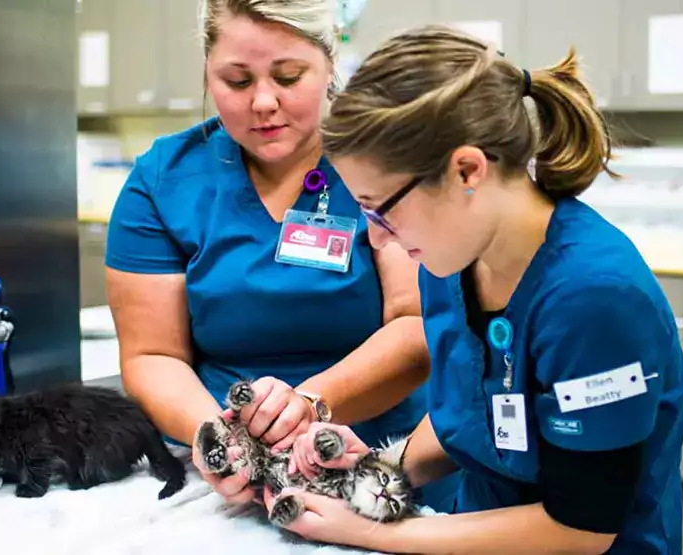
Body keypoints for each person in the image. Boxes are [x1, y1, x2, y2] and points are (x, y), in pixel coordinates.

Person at [265, 25, 683, 554]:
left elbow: (582, 528)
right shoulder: (449, 259)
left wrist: (367, 531)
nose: (374, 236)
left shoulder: (594, 299)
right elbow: (470, 416)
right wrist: (380, 472)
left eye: (381, 209)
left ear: (467, 170)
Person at [104, 0, 448, 510]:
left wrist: (309, 404)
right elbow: (152, 354)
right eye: (237, 82)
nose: (263, 102)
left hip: (383, 464)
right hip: (227, 478)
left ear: (330, 67)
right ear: (206, 73)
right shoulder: (164, 179)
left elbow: (416, 324)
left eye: (288, 76)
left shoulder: (382, 161)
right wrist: (220, 441)